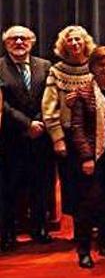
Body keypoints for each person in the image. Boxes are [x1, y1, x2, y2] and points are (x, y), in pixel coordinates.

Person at [69, 47, 105, 268]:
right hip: (92, 158)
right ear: (92, 67)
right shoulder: (83, 93)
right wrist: (86, 157)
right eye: (101, 64)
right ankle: (83, 250)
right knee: (87, 203)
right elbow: (77, 128)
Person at [0, 26, 54, 250]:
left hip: (41, 137)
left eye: (24, 38)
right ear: (6, 44)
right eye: (14, 39)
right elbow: (1, 104)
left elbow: (50, 97)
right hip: (10, 137)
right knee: (7, 186)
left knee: (41, 185)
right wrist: (27, 124)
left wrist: (39, 122)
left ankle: (40, 227)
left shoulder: (45, 66)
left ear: (32, 42)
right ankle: (7, 231)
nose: (19, 42)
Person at [42, 26, 96, 221]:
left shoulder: (95, 67)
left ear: (85, 42)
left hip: (94, 135)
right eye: (70, 40)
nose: (74, 43)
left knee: (95, 183)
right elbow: (48, 108)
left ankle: (94, 227)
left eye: (78, 40)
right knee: (72, 183)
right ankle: (79, 229)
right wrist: (57, 138)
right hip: (67, 134)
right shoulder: (56, 71)